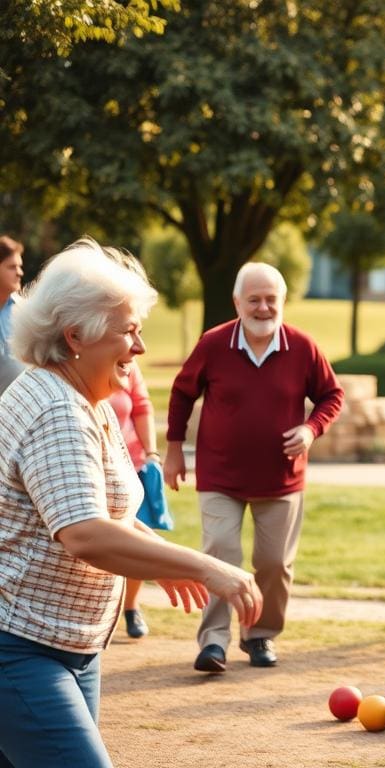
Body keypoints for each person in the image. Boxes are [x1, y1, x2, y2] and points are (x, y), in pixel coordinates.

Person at [0, 238, 263, 768]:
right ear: (75, 336)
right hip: (19, 648)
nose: (140, 347)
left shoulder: (85, 401)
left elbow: (110, 514)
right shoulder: (58, 412)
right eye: (128, 331)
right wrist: (208, 566)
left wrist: (159, 556)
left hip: (68, 645)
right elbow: (85, 533)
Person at [164, 262, 344, 673]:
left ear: (282, 302)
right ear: (237, 303)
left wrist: (311, 429)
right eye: (254, 300)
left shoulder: (302, 347)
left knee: (274, 563)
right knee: (219, 554)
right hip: (220, 475)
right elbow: (181, 393)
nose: (263, 308)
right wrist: (174, 450)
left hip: (282, 479)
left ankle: (260, 634)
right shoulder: (213, 344)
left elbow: (332, 395)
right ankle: (213, 641)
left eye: (271, 300)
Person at [107, 358, 169, 639]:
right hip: (91, 465)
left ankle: (131, 606)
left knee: (137, 540)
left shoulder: (127, 365)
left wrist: (151, 454)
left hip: (130, 465)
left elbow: (142, 407)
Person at [0, 236, 25, 394]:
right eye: (12, 267)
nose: (19, 273)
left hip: (22, 412)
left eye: (20, 266)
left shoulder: (26, 312)